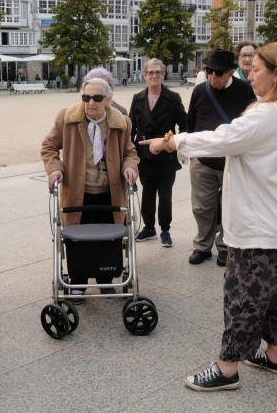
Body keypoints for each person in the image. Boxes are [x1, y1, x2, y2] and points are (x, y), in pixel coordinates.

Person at [141, 42, 277, 392]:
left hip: (264, 227)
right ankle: (276, 354)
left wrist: (170, 143)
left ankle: (227, 369)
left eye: (256, 70)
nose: (249, 75)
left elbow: (222, 139)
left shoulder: (267, 114)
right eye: (249, 69)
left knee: (244, 296)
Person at [41, 78, 139, 301]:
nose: (90, 103)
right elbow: (49, 147)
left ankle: (106, 280)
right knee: (78, 241)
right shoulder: (66, 118)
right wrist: (54, 169)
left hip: (110, 193)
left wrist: (130, 167)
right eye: (86, 97)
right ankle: (78, 282)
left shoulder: (122, 122)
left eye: (96, 98)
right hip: (77, 193)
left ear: (108, 100)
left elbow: (130, 153)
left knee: (110, 240)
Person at [185, 49, 256, 266]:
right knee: (202, 206)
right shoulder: (199, 91)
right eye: (209, 71)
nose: (213, 76)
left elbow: (252, 124)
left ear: (231, 73)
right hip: (203, 161)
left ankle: (225, 246)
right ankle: (202, 246)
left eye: (218, 72)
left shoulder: (245, 90)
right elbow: (190, 124)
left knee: (230, 206)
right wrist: (191, 154)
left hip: (232, 161)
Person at [128, 59, 187, 247]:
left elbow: (185, 125)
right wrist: (129, 152)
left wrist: (172, 143)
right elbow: (131, 127)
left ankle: (165, 229)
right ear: (144, 75)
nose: (154, 76)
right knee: (147, 193)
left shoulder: (173, 97)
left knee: (165, 194)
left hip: (165, 153)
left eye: (158, 72)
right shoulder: (138, 98)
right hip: (144, 154)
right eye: (150, 72)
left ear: (163, 75)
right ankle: (149, 227)